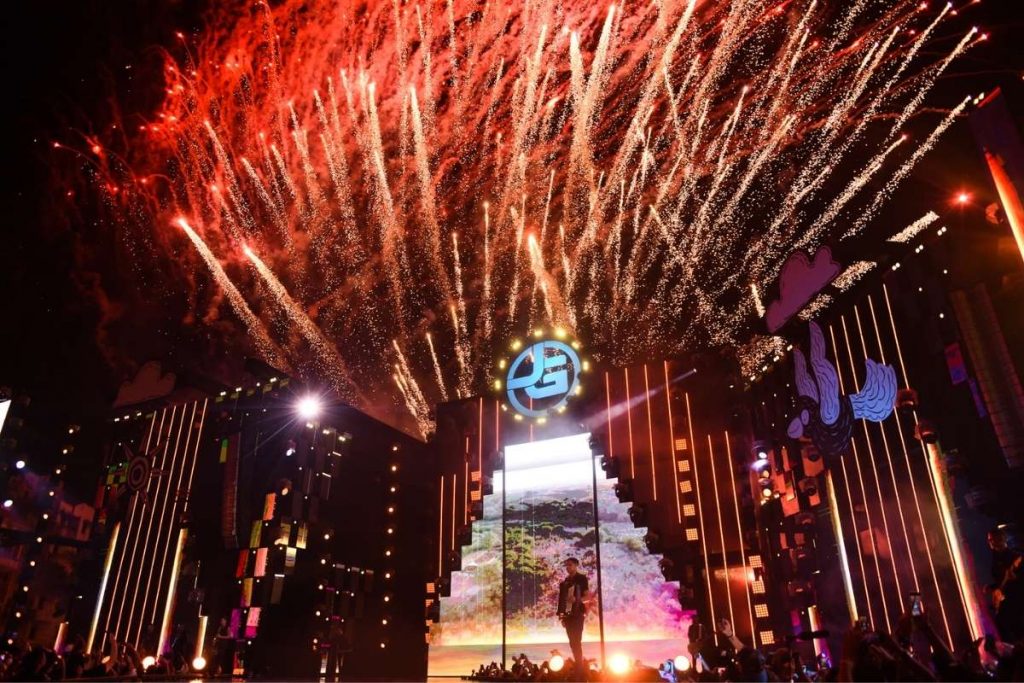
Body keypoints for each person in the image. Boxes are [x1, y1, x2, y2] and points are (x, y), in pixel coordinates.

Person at [557, 557, 588, 680]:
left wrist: (577, 600)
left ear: (576, 565)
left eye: (570, 565)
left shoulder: (582, 578)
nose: (567, 567)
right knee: (572, 643)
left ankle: (579, 673)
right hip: (568, 616)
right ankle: (578, 670)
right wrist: (562, 616)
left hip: (578, 614)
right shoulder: (566, 581)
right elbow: (563, 600)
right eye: (566, 565)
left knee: (576, 643)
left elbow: (588, 596)